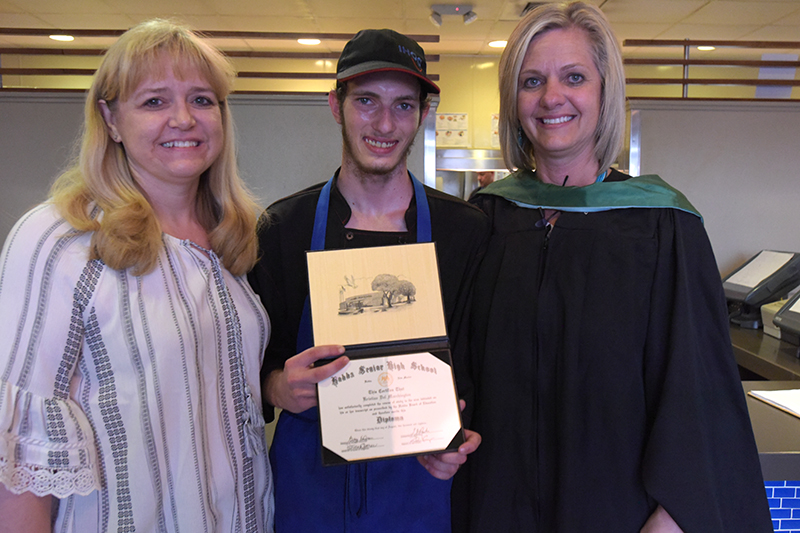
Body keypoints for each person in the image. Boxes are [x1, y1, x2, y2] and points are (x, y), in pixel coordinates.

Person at [453, 3, 773, 532]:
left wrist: (669, 521)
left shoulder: (662, 226)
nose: (552, 96)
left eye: (573, 77)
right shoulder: (488, 221)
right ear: (514, 100)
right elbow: (457, 371)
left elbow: (698, 396)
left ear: (604, 93)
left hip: (617, 516)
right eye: (532, 81)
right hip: (494, 508)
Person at [0, 20, 274, 532]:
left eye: (201, 100)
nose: (183, 119)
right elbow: (18, 460)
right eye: (153, 102)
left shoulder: (229, 242)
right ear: (111, 119)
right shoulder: (60, 239)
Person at [247, 29, 488, 533]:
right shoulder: (282, 229)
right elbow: (251, 366)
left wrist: (461, 435)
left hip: (419, 485)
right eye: (367, 102)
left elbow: (477, 364)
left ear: (424, 114)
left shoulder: (465, 231)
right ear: (336, 105)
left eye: (403, 106)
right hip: (309, 486)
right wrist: (276, 386)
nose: (384, 123)